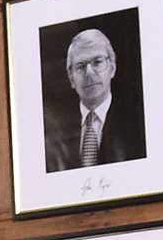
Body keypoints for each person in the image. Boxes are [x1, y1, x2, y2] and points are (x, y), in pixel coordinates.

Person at [42, 27, 146, 172]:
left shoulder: (139, 122)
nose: (89, 73)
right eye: (80, 66)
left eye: (97, 62)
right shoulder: (54, 131)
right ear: (71, 78)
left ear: (112, 68)